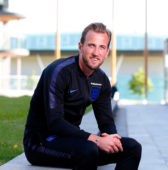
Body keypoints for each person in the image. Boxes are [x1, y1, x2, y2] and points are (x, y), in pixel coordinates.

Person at [23, 22, 142, 170]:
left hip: (72, 140)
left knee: (132, 148)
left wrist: (113, 140)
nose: (96, 52)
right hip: (41, 143)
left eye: (102, 47)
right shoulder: (58, 72)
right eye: (91, 45)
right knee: (88, 150)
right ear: (81, 47)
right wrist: (96, 140)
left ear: (107, 52)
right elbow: (55, 122)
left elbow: (106, 122)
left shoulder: (102, 80)